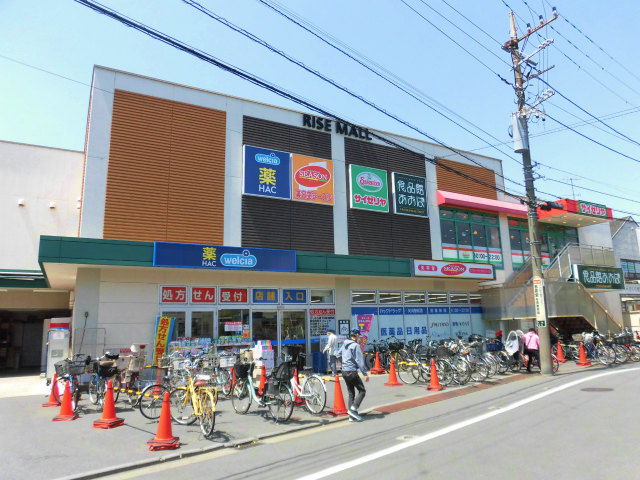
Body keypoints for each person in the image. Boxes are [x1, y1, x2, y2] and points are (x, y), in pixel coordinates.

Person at [336, 328, 369, 422]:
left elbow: (338, 355)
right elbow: (359, 360)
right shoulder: (356, 345)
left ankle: (351, 417)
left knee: (351, 393)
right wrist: (365, 373)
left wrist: (344, 363)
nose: (359, 337)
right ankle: (353, 409)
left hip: (344, 371)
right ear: (357, 335)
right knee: (362, 391)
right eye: (359, 335)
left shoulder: (344, 344)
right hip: (352, 371)